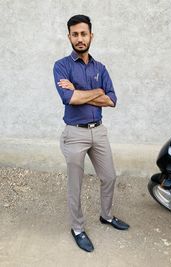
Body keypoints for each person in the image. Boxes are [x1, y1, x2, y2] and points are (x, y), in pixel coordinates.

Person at [53, 14, 129, 252]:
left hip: (99, 132)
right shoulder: (61, 66)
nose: (79, 38)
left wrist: (85, 91)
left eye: (83, 34)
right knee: (75, 185)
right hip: (75, 133)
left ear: (91, 36)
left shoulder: (100, 68)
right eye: (74, 34)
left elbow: (112, 100)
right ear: (69, 37)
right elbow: (70, 98)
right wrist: (95, 93)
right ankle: (77, 228)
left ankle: (106, 216)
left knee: (109, 177)